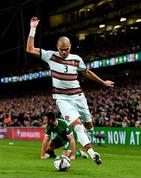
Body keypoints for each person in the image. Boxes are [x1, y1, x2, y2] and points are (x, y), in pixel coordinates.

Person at [26, 17, 114, 165]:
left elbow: (87, 72)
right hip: (63, 99)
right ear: (57, 47)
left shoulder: (77, 59)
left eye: (67, 49)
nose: (64, 52)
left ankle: (89, 133)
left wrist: (103, 82)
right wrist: (33, 28)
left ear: (70, 46)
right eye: (62, 49)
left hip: (78, 96)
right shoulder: (50, 56)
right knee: (78, 127)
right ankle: (93, 153)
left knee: (88, 125)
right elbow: (29, 49)